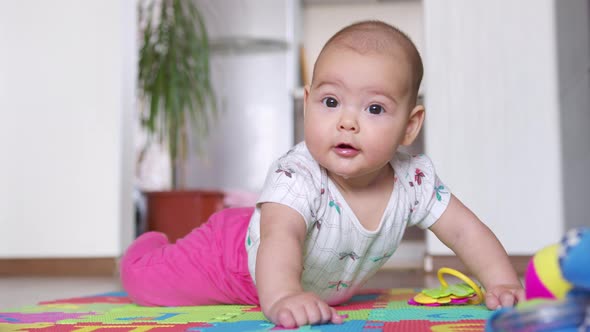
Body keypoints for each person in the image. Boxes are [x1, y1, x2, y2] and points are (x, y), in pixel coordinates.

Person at [120, 20, 525, 328]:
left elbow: (465, 231)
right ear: (308, 103)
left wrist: (501, 281)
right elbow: (282, 236)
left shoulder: (414, 181)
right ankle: (145, 249)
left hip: (296, 263)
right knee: (148, 284)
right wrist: (284, 297)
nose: (347, 122)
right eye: (331, 102)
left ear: (410, 126)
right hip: (233, 260)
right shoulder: (298, 174)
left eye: (375, 109)